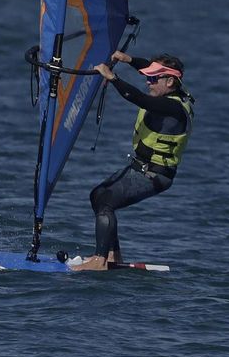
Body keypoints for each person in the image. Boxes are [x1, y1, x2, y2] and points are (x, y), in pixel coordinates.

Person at [71, 52, 194, 271]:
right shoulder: (171, 89)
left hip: (155, 175)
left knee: (106, 201)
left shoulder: (172, 107)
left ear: (170, 81)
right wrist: (128, 59)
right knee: (98, 195)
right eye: (148, 77)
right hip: (141, 169)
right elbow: (148, 66)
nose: (149, 82)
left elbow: (137, 97)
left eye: (154, 79)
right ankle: (111, 255)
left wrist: (112, 77)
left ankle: (99, 261)